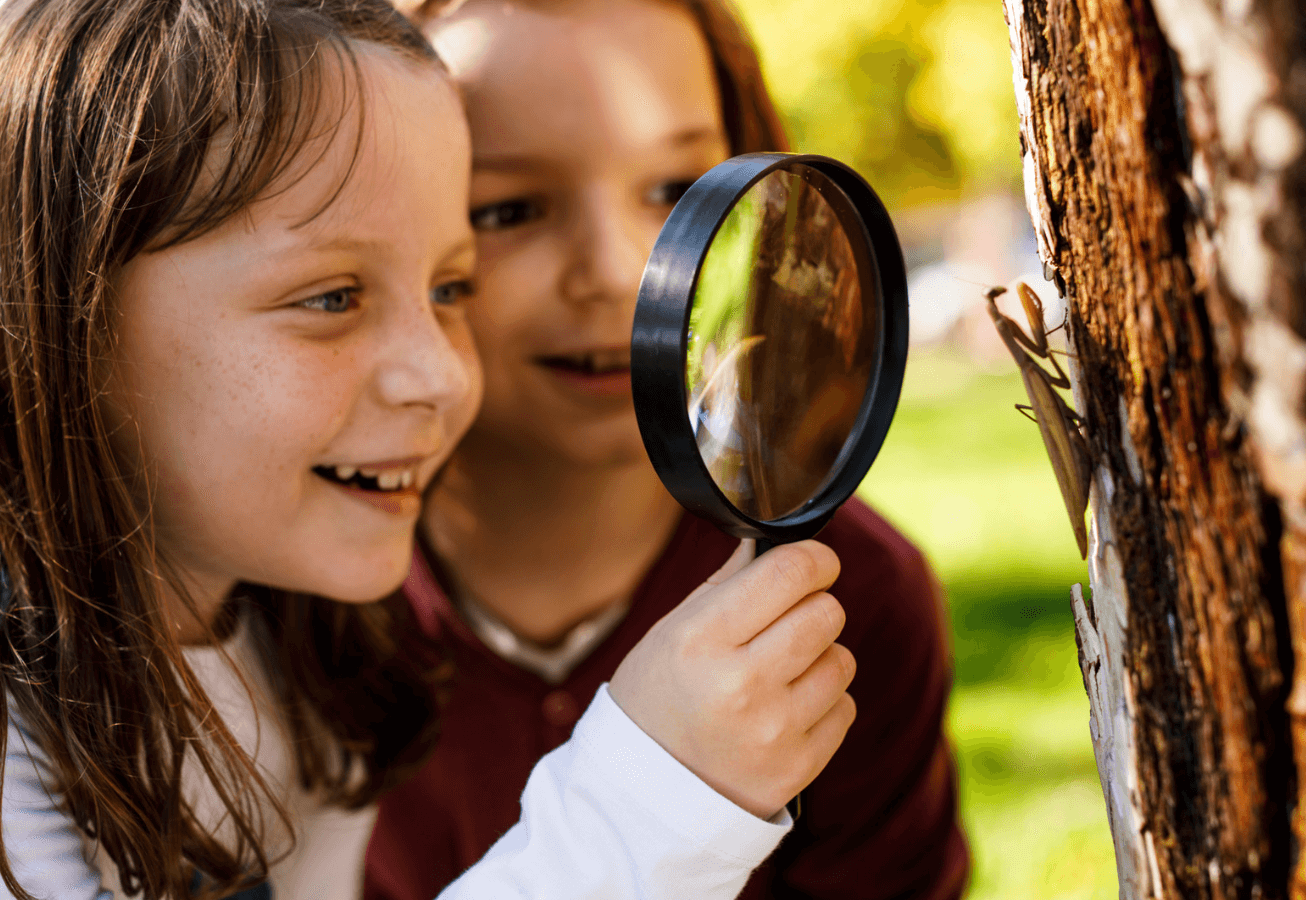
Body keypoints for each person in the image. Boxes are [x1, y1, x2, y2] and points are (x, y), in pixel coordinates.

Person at [0, 1, 859, 898]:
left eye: (451, 287)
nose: (444, 377)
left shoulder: (300, 672)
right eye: (331, 298)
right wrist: (647, 810)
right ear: (64, 315)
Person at [364, 0, 970, 898]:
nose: (616, 269)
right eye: (510, 208)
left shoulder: (840, 604)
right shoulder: (281, 599)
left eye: (676, 192)